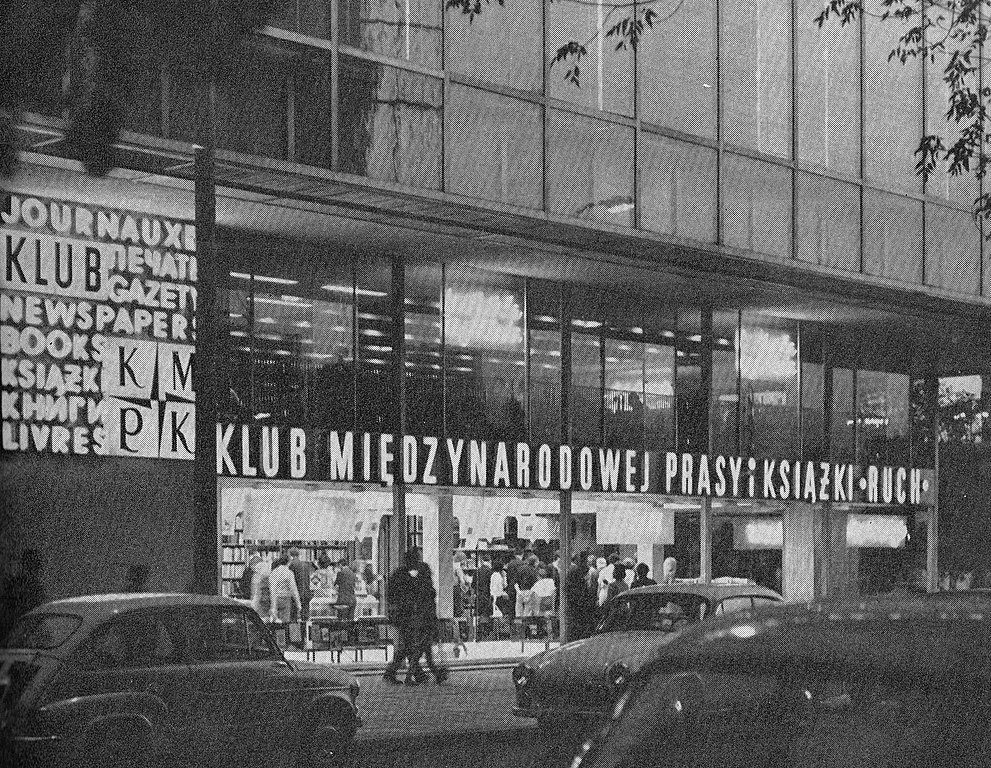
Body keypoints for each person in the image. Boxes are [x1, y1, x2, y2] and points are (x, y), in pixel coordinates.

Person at [383, 549, 448, 685]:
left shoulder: (402, 575)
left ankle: (419, 674)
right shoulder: (412, 578)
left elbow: (394, 596)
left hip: (408, 617)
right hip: (412, 617)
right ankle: (417, 674)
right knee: (416, 647)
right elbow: (423, 599)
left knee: (414, 647)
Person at [0, 549, 46, 642]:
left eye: (35, 567)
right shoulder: (16, 584)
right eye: (31, 566)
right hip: (16, 629)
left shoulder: (35, 587)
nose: (34, 571)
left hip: (21, 630)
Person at [268, 554, 302, 624]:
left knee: (275, 623)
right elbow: (294, 589)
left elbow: (272, 588)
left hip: (275, 599)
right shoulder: (289, 573)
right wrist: (298, 604)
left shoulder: (274, 572)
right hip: (286, 599)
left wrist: (272, 605)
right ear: (288, 562)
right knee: (285, 623)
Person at [287, 547, 315, 622]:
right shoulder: (306, 565)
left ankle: (295, 633)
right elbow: (308, 580)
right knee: (305, 617)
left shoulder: (291, 565)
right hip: (306, 593)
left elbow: (290, 581)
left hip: (296, 594)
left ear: (290, 555)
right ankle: (306, 633)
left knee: (293, 618)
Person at [474, 555, 494, 638]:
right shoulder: (491, 572)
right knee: (487, 614)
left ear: (482, 561)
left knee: (479, 614)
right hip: (487, 596)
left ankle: (479, 633)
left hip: (479, 596)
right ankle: (487, 634)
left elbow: (473, 585)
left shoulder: (476, 571)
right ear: (489, 561)